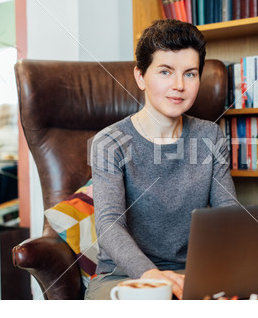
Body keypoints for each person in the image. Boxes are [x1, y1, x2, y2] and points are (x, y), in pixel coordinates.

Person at [85, 19, 237, 300]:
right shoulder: (110, 142)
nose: (179, 85)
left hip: (195, 274)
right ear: (140, 76)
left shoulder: (210, 136)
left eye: (190, 74)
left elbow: (228, 214)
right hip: (124, 278)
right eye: (165, 71)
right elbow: (109, 224)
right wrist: (150, 275)